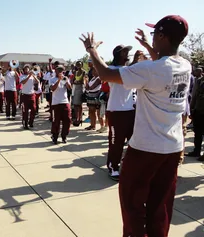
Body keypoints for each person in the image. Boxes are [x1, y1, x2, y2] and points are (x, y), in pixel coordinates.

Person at [80, 15, 190, 237]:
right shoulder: (185, 66)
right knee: (161, 205)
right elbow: (163, 63)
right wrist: (148, 46)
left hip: (146, 149)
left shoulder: (151, 70)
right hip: (172, 147)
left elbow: (105, 73)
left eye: (154, 35)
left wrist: (91, 50)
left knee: (132, 204)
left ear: (161, 35)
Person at [106, 45, 137, 181]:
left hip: (130, 110)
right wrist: (135, 62)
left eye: (128, 51)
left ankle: (128, 165)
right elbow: (124, 76)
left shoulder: (129, 69)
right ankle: (113, 166)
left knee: (134, 141)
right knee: (116, 142)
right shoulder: (111, 70)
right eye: (125, 51)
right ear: (118, 54)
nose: (128, 54)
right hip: (116, 111)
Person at [50, 65, 72, 144]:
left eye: (61, 70)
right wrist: (59, 80)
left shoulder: (65, 79)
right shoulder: (52, 79)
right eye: (58, 70)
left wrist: (66, 81)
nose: (60, 72)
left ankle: (64, 136)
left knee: (67, 120)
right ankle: (55, 136)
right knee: (56, 121)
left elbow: (69, 88)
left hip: (65, 102)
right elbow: (52, 89)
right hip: (56, 103)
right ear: (55, 71)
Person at [19, 64, 39, 129]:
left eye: (28, 68)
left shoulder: (32, 76)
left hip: (32, 94)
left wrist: (34, 76)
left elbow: (37, 81)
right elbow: (23, 82)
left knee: (33, 109)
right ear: (24, 70)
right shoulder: (22, 76)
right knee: (25, 111)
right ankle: (25, 124)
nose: (27, 70)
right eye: (25, 68)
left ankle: (31, 122)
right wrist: (29, 76)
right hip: (25, 95)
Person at [85, 67, 102, 131]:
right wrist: (86, 81)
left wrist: (88, 86)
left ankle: (101, 126)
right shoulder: (92, 78)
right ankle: (92, 125)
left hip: (95, 95)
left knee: (96, 111)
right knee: (91, 111)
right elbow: (87, 87)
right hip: (90, 95)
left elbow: (91, 87)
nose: (93, 72)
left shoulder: (98, 79)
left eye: (95, 71)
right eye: (93, 71)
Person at [71, 61, 86, 126]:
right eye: (77, 65)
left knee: (79, 104)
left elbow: (83, 81)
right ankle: (76, 118)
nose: (78, 66)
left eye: (79, 65)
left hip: (80, 88)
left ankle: (79, 119)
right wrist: (74, 82)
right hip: (75, 88)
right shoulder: (75, 72)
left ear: (82, 65)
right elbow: (73, 80)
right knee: (75, 105)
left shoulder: (83, 72)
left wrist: (77, 82)